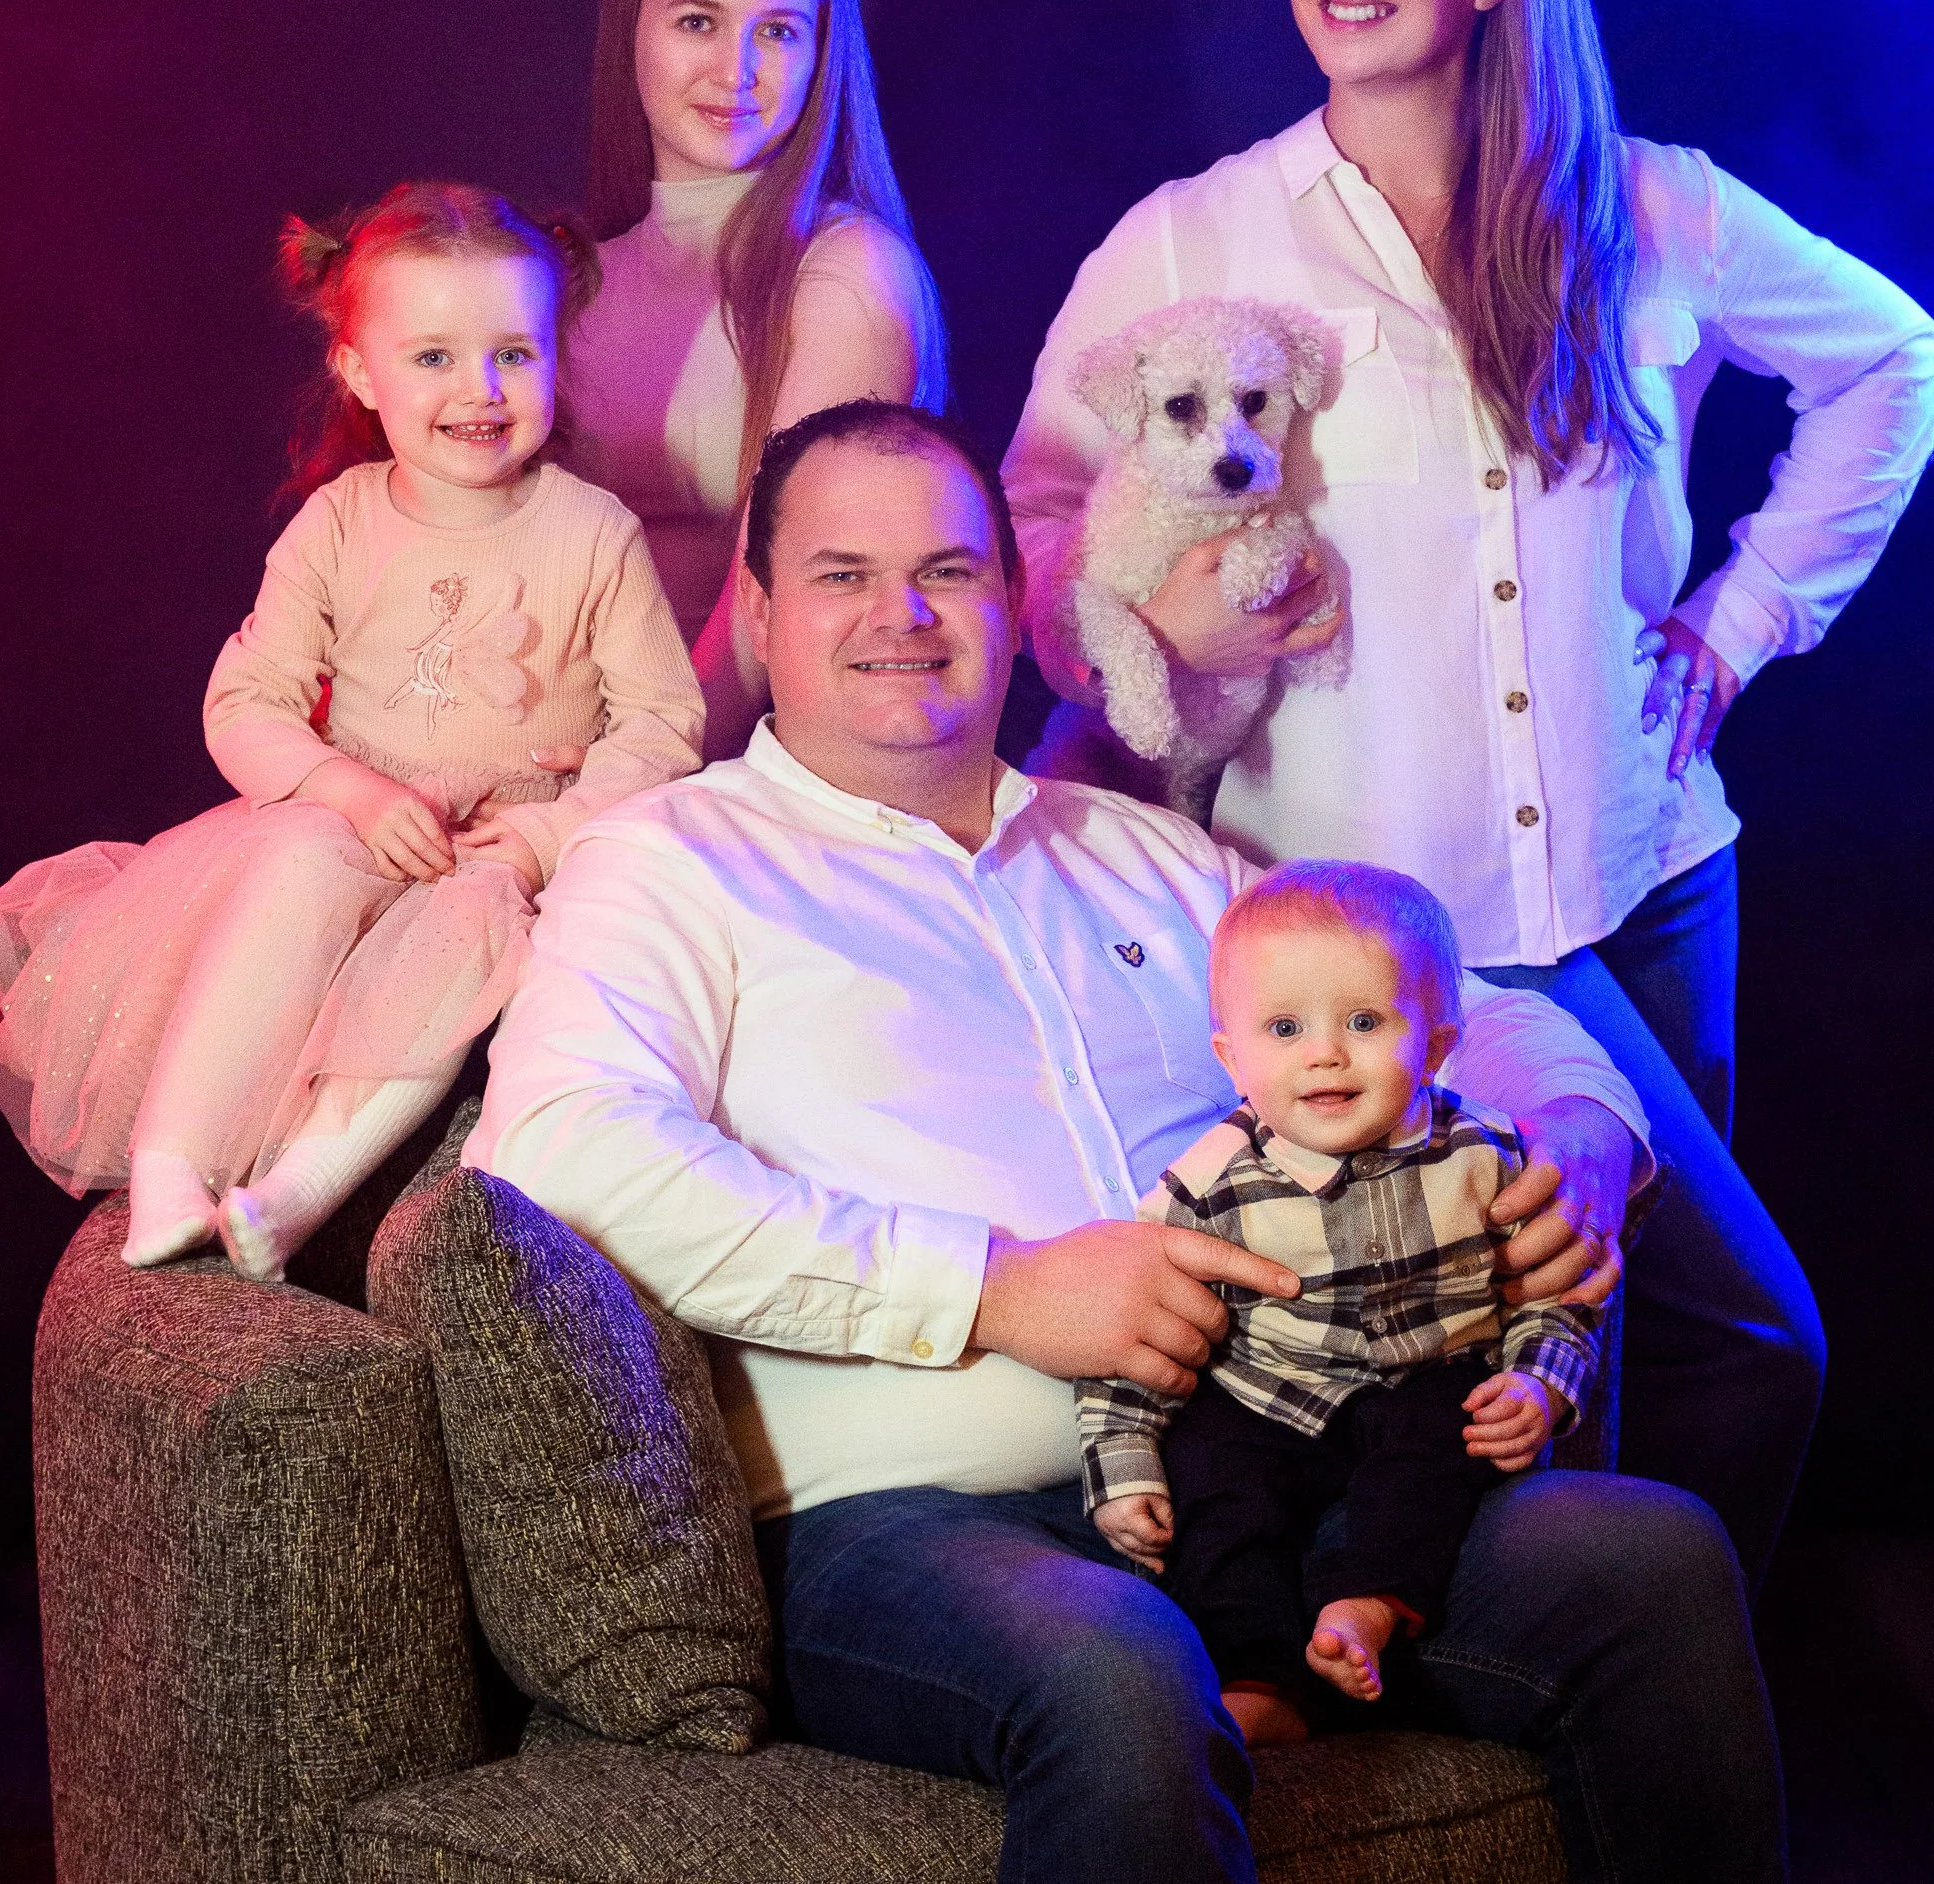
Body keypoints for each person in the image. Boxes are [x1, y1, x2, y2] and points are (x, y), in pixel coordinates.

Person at [467, 399, 1785, 1884]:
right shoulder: (670, 862)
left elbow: (1472, 1010)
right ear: (760, 616)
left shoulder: (1146, 853)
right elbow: (559, 1150)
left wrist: (1585, 1137)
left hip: (1290, 1470)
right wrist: (995, 1286)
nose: (903, 613)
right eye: (842, 574)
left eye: (950, 571)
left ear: (1014, 602)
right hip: (920, 1526)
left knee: (1647, 1558)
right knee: (1120, 1664)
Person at [1003, 0, 1934, 1584]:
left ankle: (1626, 1727)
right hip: (1396, 942)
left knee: (1621, 1355)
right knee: (1714, 1345)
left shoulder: (1646, 209)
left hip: (1654, 877)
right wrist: (1170, 640)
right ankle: (1588, 1726)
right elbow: (1041, 519)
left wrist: (1740, 622)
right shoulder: (1202, 236)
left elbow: (1897, 360)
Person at [0, 183, 703, 1279]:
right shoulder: (341, 522)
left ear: (554, 355)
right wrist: (349, 791)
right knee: (296, 860)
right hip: (353, 818)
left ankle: (301, 1186)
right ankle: (175, 1161)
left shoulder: (593, 533)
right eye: (434, 357)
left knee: (475, 930)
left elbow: (662, 723)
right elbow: (245, 702)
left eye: (514, 353)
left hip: (487, 851)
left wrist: (551, 833)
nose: (481, 389)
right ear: (359, 372)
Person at [1079, 860, 1597, 1746]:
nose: (1323, 1053)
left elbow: (1560, 1293)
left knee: (1445, 1445)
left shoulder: (1489, 1155)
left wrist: (1540, 1385)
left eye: (1364, 1022)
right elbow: (1135, 1328)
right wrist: (1119, 1459)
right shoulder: (1206, 1187)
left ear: (1434, 1045)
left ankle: (1371, 1604)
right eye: (1283, 1028)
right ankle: (1258, 1679)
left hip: (1430, 1375)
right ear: (1230, 1056)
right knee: (1215, 1488)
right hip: (1266, 1394)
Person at [559, 0, 948, 759]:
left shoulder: (846, 270)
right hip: (541, 740)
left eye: (777, 32)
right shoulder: (562, 279)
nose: (735, 69)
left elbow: (773, 604)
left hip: (715, 766)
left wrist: (633, 777)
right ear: (632, 33)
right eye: (698, 21)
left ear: (821, 56)